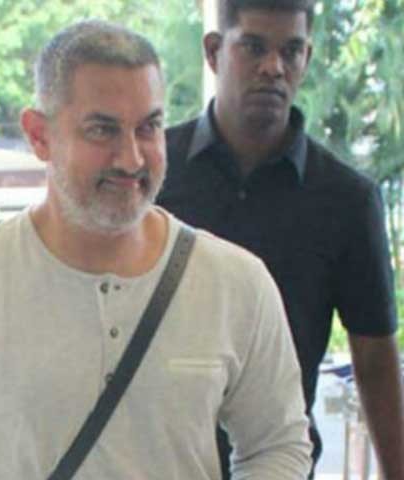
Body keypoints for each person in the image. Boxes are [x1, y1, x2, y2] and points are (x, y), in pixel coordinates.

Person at [0, 20, 311, 479]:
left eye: (149, 128)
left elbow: (278, 444)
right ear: (39, 136)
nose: (131, 158)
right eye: (102, 130)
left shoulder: (237, 284)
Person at [157, 0, 404, 478]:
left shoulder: (347, 200)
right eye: (253, 47)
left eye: (291, 51)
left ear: (306, 58)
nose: (273, 67)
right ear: (214, 51)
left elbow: (375, 358)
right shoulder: (154, 173)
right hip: (154, 462)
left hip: (280, 463)